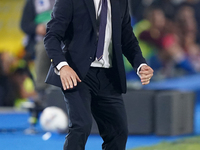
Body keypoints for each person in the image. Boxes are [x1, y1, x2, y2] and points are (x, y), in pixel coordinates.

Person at [44, 0, 154, 149]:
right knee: (81, 126)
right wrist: (63, 66)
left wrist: (140, 64)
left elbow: (127, 37)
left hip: (108, 75)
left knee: (118, 131)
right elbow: (52, 36)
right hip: (77, 73)